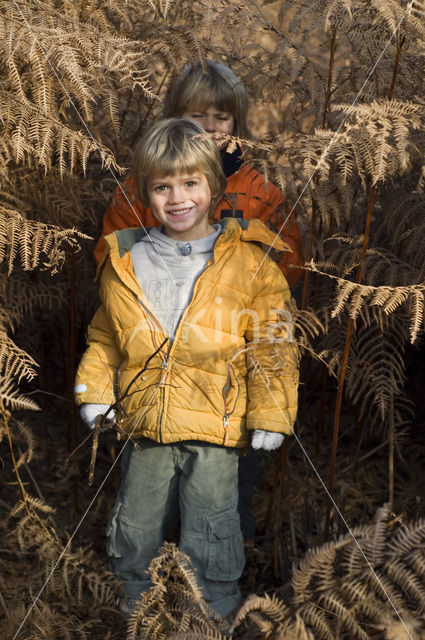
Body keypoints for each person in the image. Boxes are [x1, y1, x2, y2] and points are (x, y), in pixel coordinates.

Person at [75, 119, 299, 621]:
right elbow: (107, 335)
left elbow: (273, 345)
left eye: (190, 183)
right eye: (162, 186)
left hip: (215, 429)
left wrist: (272, 413)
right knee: (135, 527)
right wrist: (95, 389)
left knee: (212, 529)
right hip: (146, 424)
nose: (178, 198)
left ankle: (214, 615)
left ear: (214, 187)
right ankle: (136, 612)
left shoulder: (250, 262)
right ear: (145, 192)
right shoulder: (128, 258)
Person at [93, 61, 304, 290]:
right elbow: (110, 257)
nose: (210, 126)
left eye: (222, 117)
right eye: (198, 115)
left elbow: (288, 265)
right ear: (174, 118)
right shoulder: (141, 187)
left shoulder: (260, 191)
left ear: (236, 123)